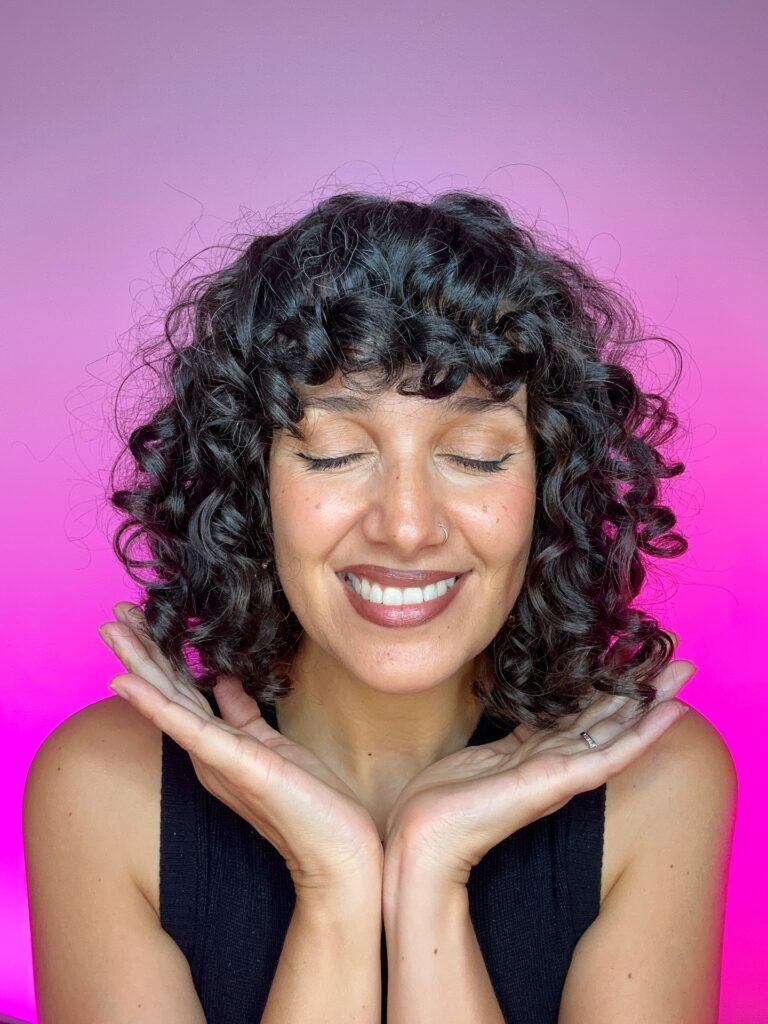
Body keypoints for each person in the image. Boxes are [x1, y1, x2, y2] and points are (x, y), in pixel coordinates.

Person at [23, 190, 737, 1023]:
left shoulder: (657, 780)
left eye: (474, 456)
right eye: (334, 456)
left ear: (550, 488)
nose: (406, 527)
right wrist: (335, 884)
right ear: (251, 487)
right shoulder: (102, 786)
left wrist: (432, 871)